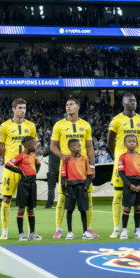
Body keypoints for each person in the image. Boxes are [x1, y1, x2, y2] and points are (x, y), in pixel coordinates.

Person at [51, 98, 96, 239]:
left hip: (83, 167)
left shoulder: (86, 125)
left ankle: (88, 229)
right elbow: (52, 146)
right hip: (66, 167)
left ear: (77, 107)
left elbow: (89, 147)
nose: (68, 107)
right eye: (66, 105)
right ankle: (59, 229)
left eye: (70, 104)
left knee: (87, 197)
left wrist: (92, 166)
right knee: (62, 197)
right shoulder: (59, 125)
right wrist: (61, 155)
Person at [107, 93, 140, 238]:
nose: (134, 102)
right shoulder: (117, 120)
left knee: (139, 194)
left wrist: (135, 153)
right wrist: (119, 155)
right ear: (123, 103)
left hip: (137, 163)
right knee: (118, 194)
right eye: (130, 100)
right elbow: (109, 142)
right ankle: (117, 228)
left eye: (135, 100)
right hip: (121, 162)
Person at [0, 98, 38, 239]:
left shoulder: (31, 126)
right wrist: (10, 158)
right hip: (11, 170)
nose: (22, 110)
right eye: (19, 107)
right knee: (7, 198)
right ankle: (4, 231)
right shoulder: (4, 126)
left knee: (28, 203)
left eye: (24, 108)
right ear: (13, 109)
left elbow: (33, 146)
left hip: (27, 170)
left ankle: (30, 232)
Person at [5, 136, 41, 241]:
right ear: (28, 146)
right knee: (21, 208)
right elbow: (8, 164)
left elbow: (38, 164)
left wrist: (35, 173)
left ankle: (32, 233)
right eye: (35, 144)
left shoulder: (33, 155)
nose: (36, 146)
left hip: (32, 184)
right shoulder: (21, 156)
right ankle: (21, 233)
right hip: (24, 185)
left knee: (31, 208)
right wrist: (20, 172)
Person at [61, 139, 94, 240]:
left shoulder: (83, 159)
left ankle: (85, 232)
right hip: (70, 188)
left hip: (81, 187)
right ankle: (70, 232)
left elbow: (90, 174)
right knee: (69, 210)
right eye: (78, 146)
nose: (80, 148)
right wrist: (64, 190)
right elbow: (63, 176)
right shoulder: (66, 160)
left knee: (83, 210)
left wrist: (87, 185)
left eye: (81, 146)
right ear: (71, 148)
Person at [117, 135, 140, 239]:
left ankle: (137, 229)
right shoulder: (123, 157)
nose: (131, 143)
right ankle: (124, 230)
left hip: (138, 183)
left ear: (137, 143)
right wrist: (129, 185)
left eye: (133, 141)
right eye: (129, 141)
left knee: (138, 207)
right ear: (125, 144)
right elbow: (121, 173)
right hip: (128, 183)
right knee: (127, 207)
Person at [43, 143, 59, 209]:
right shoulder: (64, 145)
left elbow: (44, 154)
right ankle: (65, 204)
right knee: (64, 188)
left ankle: (49, 204)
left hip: (52, 170)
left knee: (51, 188)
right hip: (62, 169)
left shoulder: (52, 145)